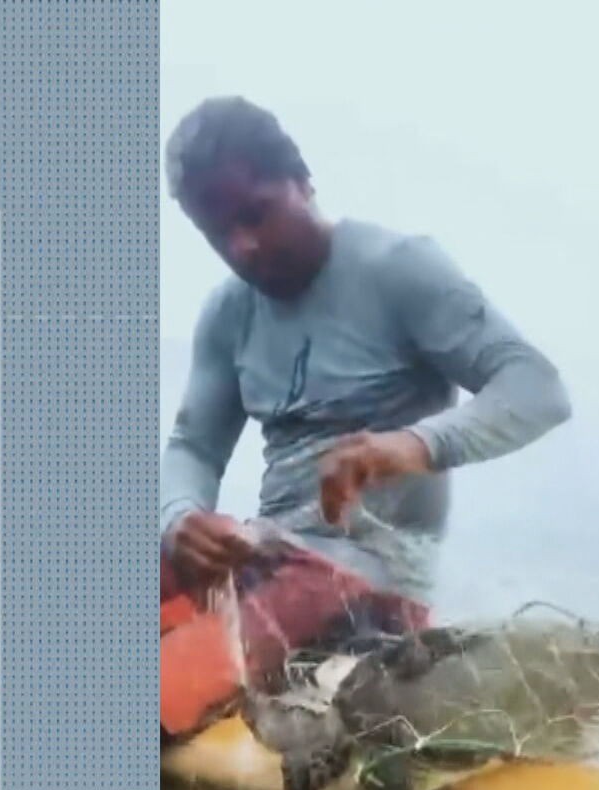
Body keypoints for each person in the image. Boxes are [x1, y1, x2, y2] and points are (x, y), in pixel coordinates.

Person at [157, 95, 573, 739]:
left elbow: (538, 388)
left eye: (256, 214)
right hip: (266, 551)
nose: (243, 246)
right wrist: (180, 518)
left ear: (302, 181)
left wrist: (412, 445)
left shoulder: (398, 268)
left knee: (159, 696)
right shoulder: (227, 313)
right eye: (218, 233)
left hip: (365, 583)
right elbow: (194, 445)